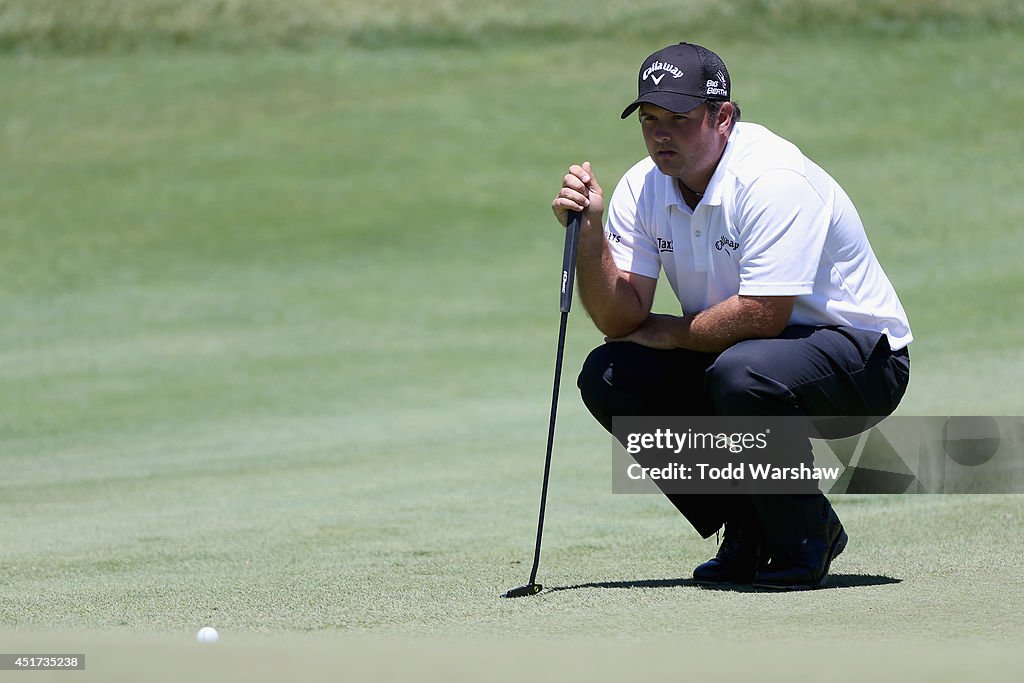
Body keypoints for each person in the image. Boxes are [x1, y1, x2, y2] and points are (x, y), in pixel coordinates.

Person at [551, 42, 912, 590]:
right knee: (611, 374)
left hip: (863, 359)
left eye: (679, 119)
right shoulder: (641, 186)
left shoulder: (773, 177)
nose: (661, 135)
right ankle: (750, 525)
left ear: (722, 117)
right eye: (649, 120)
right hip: (736, 354)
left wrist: (670, 333)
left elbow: (764, 315)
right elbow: (620, 320)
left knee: (741, 374)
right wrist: (590, 234)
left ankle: (805, 536)